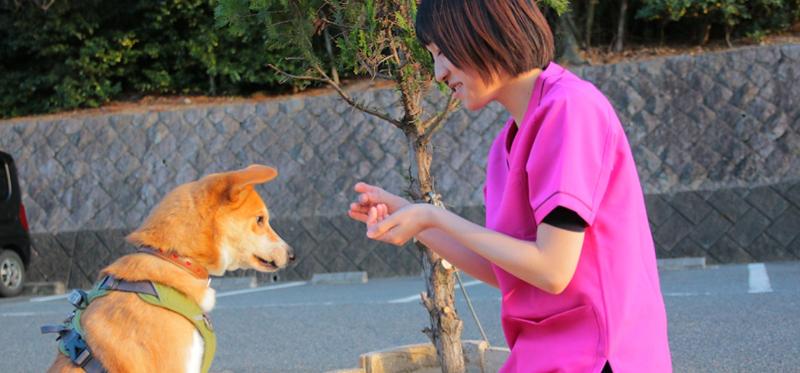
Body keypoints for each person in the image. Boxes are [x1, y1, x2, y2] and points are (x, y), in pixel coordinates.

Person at [347, 1, 672, 372]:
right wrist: (416, 220)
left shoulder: (571, 108)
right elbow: (506, 271)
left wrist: (432, 215)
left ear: (479, 31)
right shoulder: (508, 142)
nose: (438, 73)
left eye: (441, 52)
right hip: (547, 354)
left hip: (599, 355)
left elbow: (552, 269)